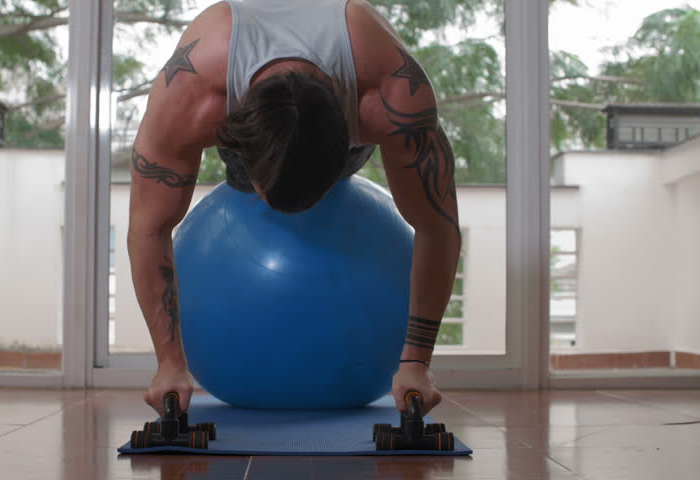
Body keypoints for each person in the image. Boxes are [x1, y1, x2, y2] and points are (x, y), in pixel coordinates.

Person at [128, 0, 461, 418]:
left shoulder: (389, 94)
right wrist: (169, 364)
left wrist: (416, 362)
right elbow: (148, 227)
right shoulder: (193, 93)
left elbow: (437, 223)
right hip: (246, 110)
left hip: (343, 108)